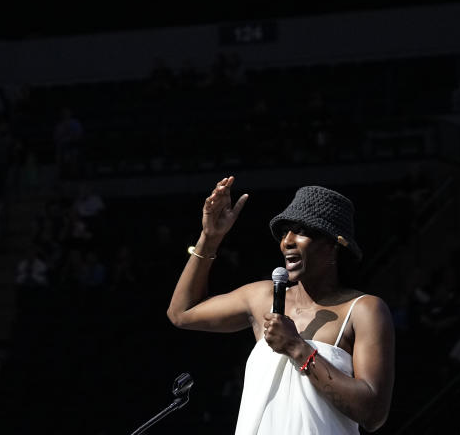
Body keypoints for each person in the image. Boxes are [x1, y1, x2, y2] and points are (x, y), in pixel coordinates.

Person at [167, 176, 395, 433]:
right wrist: (210, 236)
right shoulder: (262, 297)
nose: (287, 241)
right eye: (285, 231)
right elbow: (181, 313)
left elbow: (373, 414)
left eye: (301, 230)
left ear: (333, 244)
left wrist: (296, 347)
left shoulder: (363, 310)